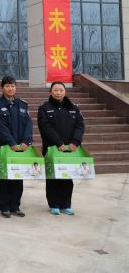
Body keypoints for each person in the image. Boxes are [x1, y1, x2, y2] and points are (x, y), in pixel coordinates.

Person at [37, 81, 85, 216]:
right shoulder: (44, 108)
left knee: (68, 178)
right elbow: (45, 127)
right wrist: (59, 143)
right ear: (50, 92)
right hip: (52, 149)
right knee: (53, 178)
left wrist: (75, 142)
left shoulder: (74, 108)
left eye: (61, 90)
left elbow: (80, 126)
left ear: (65, 91)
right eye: (56, 90)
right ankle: (54, 204)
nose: (58, 93)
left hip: (70, 149)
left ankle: (66, 204)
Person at [0, 76, 33, 218]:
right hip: (3, 148)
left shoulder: (22, 104)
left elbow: (28, 125)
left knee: (17, 177)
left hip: (20, 148)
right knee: (3, 178)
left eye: (13, 86)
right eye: (7, 86)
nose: (10, 88)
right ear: (2, 88)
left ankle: (15, 206)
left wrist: (27, 141)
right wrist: (11, 143)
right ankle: (4, 206)